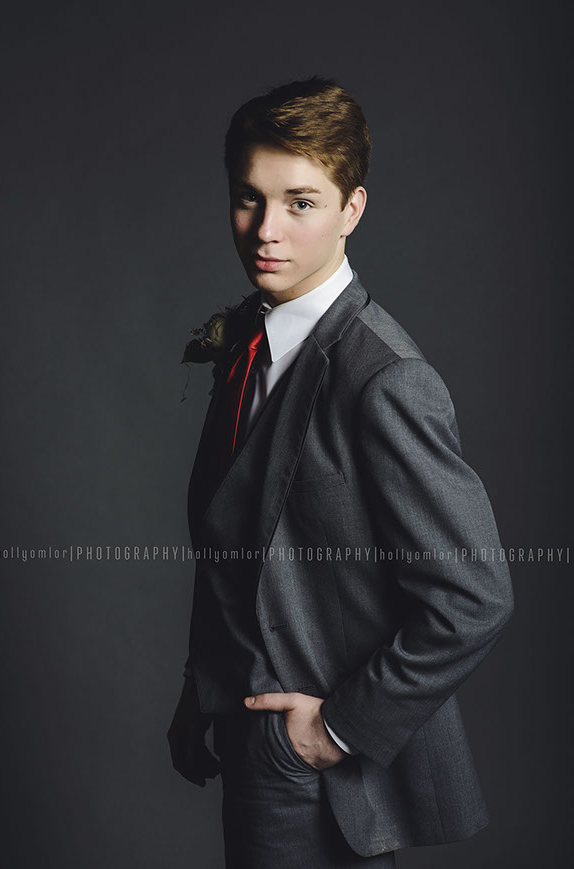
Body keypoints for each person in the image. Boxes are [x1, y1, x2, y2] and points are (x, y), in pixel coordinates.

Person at [167, 76, 514, 868]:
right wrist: (202, 688)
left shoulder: (385, 377)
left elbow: (476, 595)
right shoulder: (250, 342)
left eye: (300, 202)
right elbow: (236, 547)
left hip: (309, 763)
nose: (266, 230)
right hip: (243, 728)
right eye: (249, 199)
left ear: (352, 209)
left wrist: (333, 730)